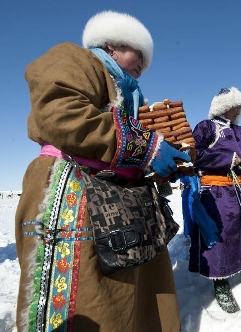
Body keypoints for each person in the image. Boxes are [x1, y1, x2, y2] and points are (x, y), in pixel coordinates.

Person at [15, 11, 191, 332]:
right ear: (111, 45)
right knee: (92, 295)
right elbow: (62, 116)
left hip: (121, 202)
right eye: (139, 54)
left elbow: (131, 147)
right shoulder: (76, 59)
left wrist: (160, 165)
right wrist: (145, 147)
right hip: (74, 191)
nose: (143, 65)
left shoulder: (128, 96)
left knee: (136, 295)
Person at [190, 87, 241, 314]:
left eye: (240, 106)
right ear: (224, 106)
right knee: (221, 234)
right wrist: (227, 158)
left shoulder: (238, 131)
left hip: (240, 189)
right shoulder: (206, 127)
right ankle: (221, 284)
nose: (239, 110)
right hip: (216, 191)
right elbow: (194, 154)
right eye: (236, 106)